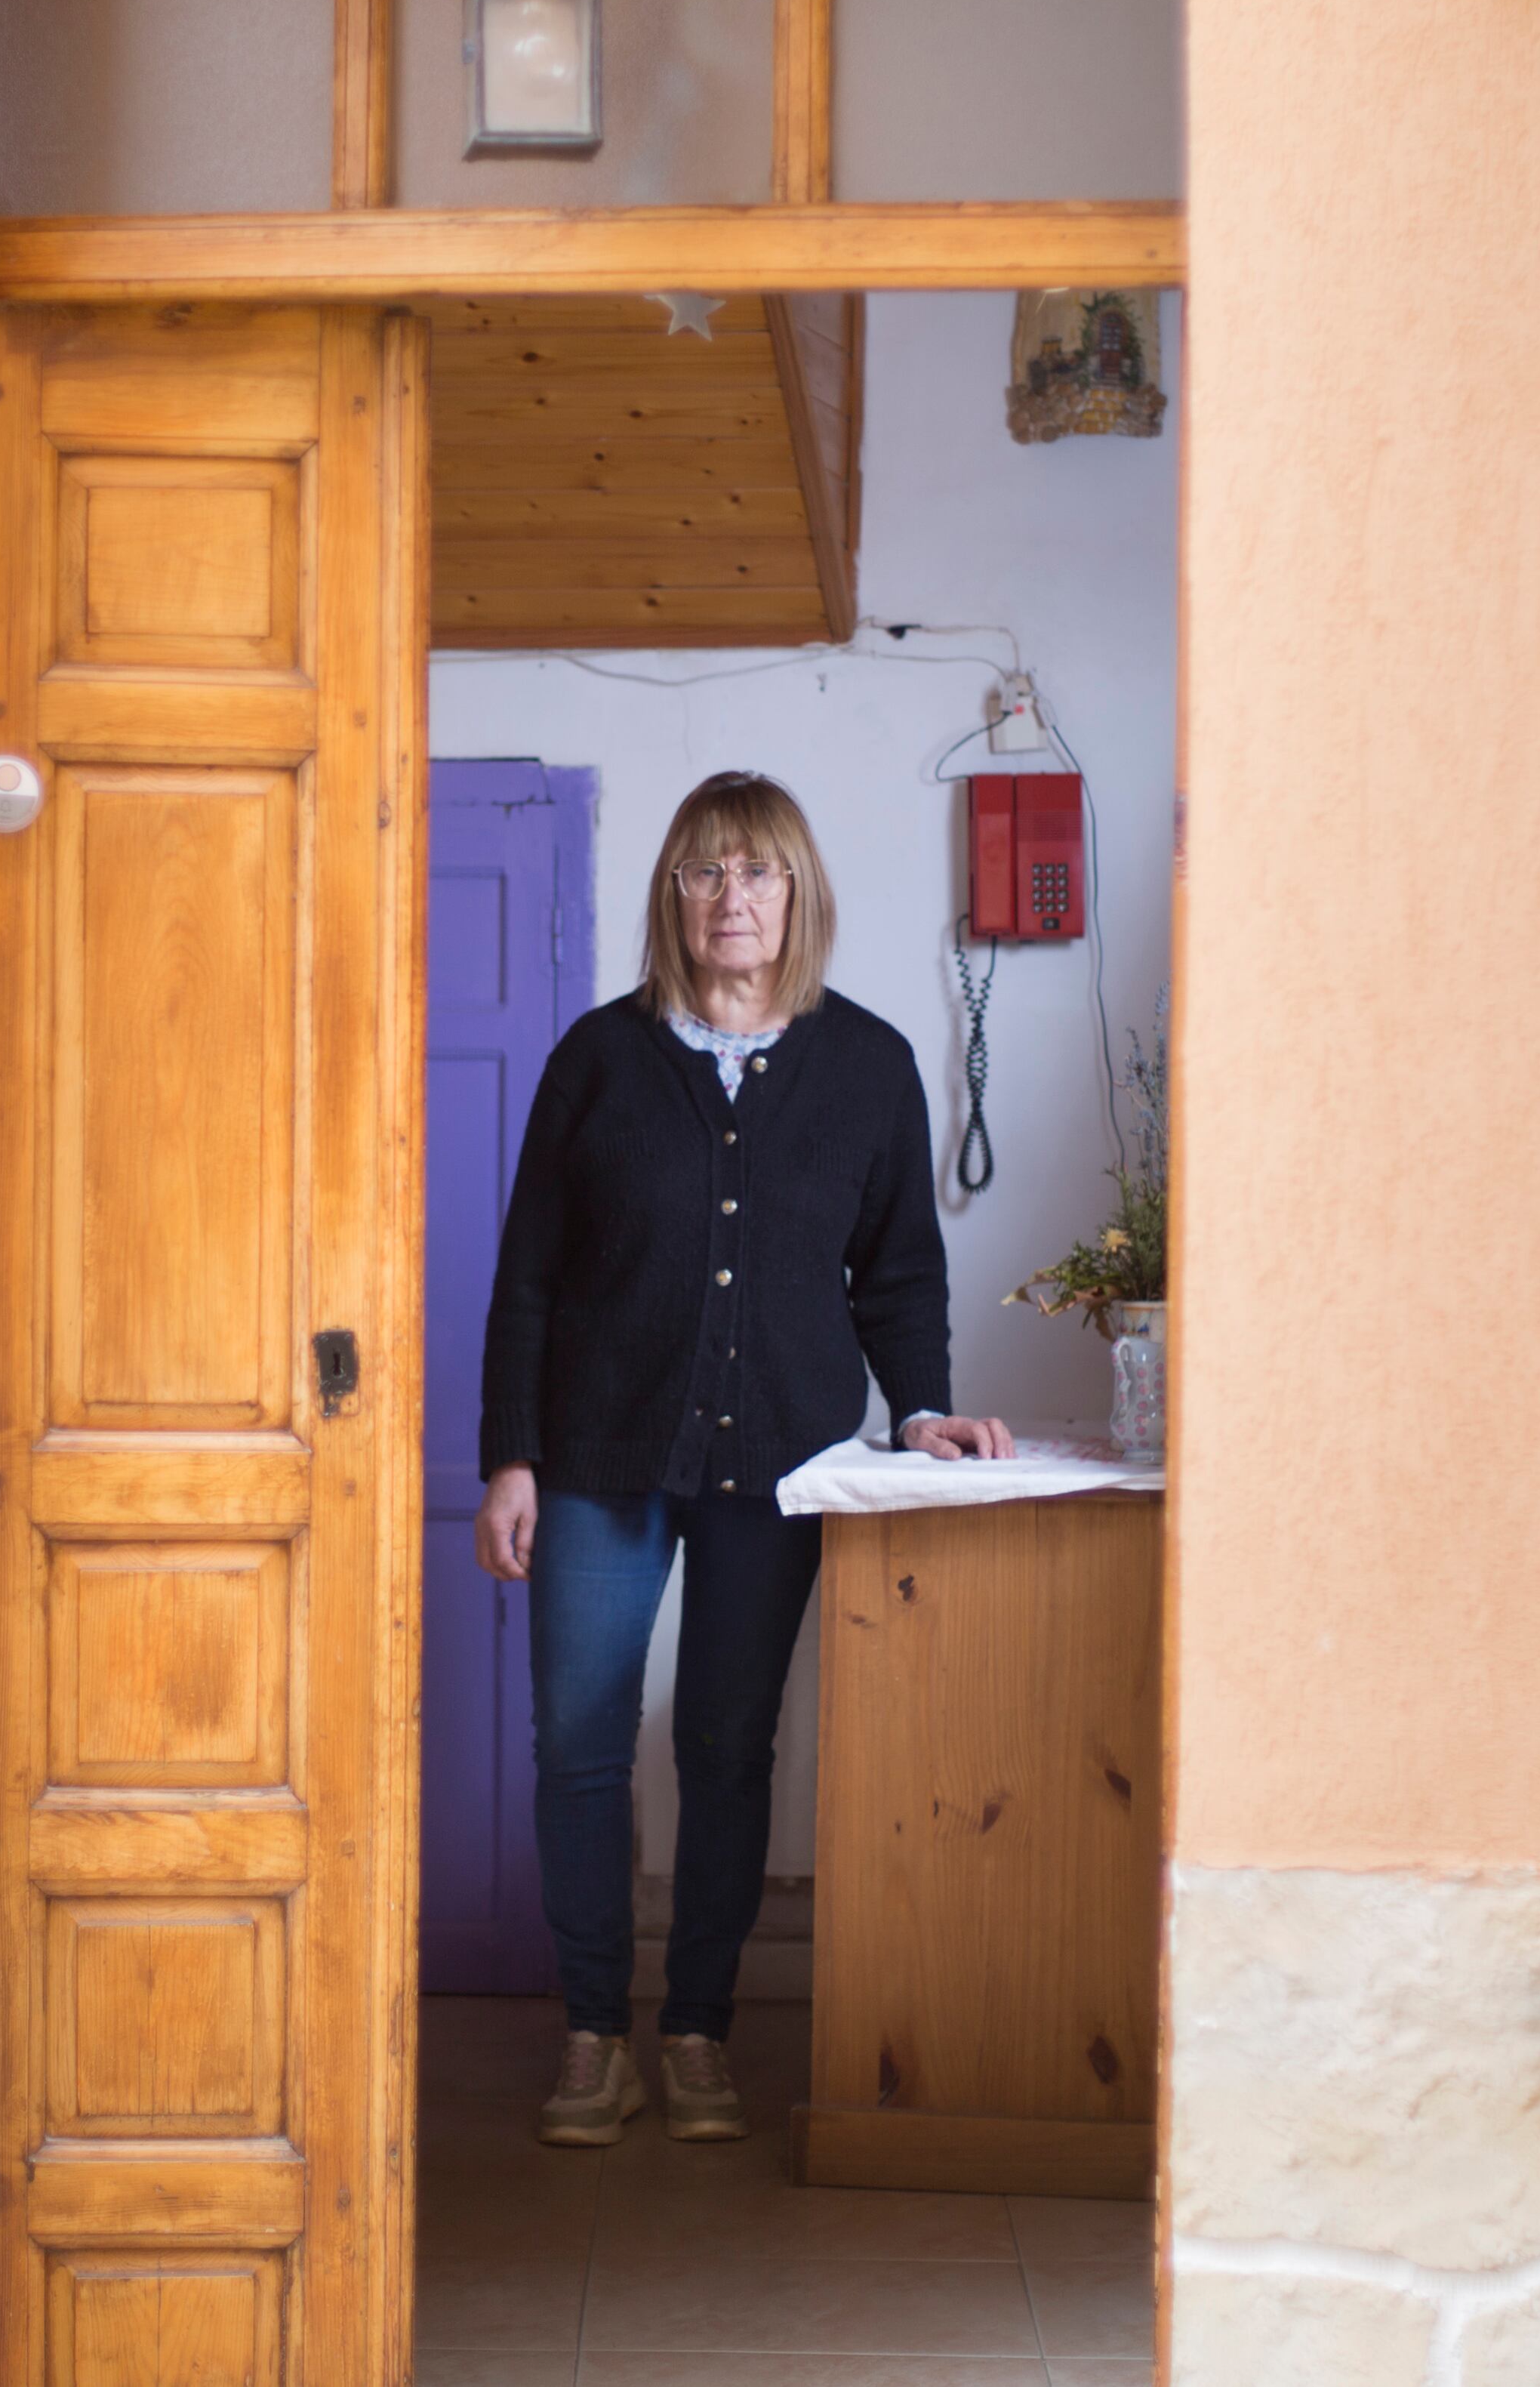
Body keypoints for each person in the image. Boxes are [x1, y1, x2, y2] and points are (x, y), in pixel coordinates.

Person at [477, 770, 1012, 2148]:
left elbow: (898, 1272)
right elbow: (528, 1277)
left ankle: (701, 2029)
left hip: (782, 1463)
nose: (733, 898)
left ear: (799, 894)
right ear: (674, 894)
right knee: (581, 1748)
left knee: (725, 1747)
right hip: (599, 1457)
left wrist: (927, 1407)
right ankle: (598, 2032)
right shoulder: (596, 1062)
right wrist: (512, 1457)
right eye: (707, 872)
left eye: (758, 872)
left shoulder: (871, 1066)